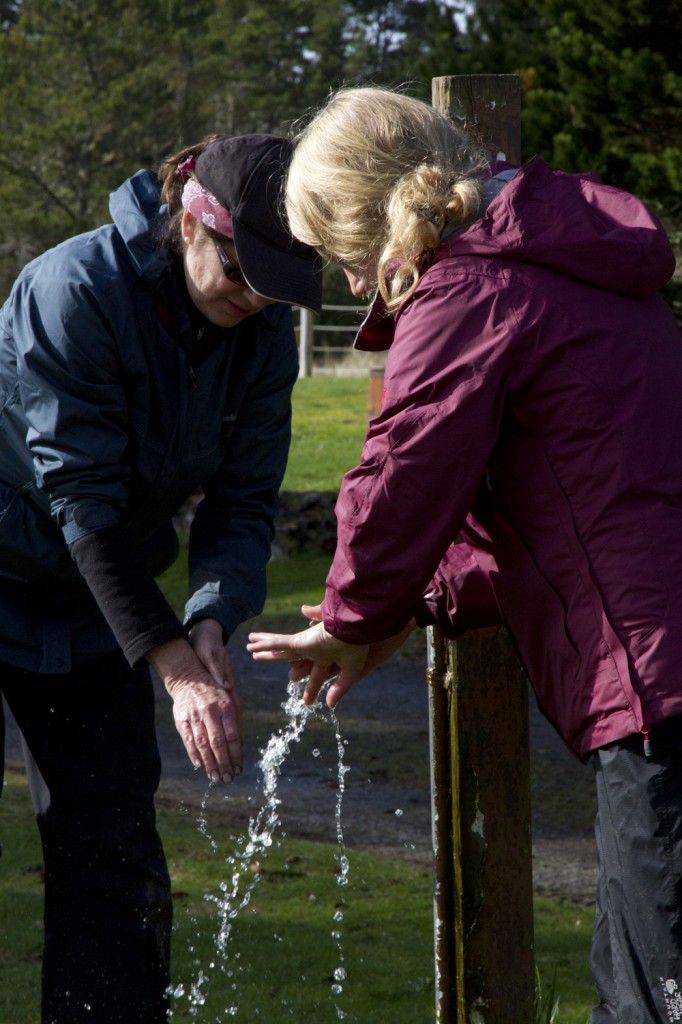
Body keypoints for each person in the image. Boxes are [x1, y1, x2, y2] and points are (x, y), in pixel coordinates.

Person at [247, 86, 682, 1023]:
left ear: (370, 222)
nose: (354, 287)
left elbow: (404, 472)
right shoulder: (571, 263)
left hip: (654, 684)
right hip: (661, 665)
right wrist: (412, 606)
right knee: (633, 988)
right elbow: (560, 522)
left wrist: (353, 615)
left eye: (340, 258)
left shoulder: (467, 286)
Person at [0, 132, 321, 1023]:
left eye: (277, 283)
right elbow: (83, 498)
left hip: (94, 604)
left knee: (112, 850)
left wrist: (213, 618)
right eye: (240, 268)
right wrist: (176, 667)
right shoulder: (72, 291)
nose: (255, 297)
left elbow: (244, 502)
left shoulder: (259, 343)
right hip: (30, 556)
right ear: (190, 221)